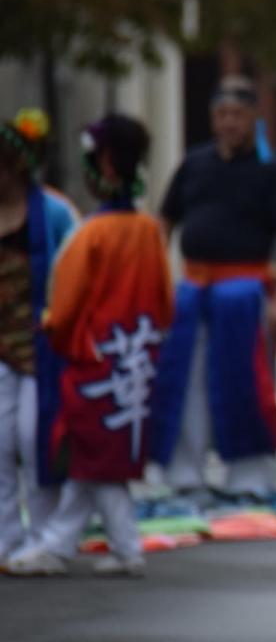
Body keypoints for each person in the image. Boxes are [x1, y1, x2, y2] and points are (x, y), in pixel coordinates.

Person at [6, 115, 172, 577]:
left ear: (102, 165)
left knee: (95, 456)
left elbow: (65, 309)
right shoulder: (147, 230)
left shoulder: (90, 235)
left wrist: (52, 331)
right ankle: (67, 544)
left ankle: (113, 545)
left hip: (95, 360)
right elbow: (163, 301)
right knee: (95, 458)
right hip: (135, 355)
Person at [151, 75, 276, 499]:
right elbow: (164, 220)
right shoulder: (193, 163)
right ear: (212, 118)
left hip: (245, 288)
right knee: (185, 381)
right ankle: (186, 473)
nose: (229, 122)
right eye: (222, 114)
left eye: (238, 114)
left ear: (253, 117)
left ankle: (249, 477)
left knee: (246, 382)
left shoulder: (272, 170)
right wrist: (156, 276)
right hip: (192, 286)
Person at [0, 108, 77, 568]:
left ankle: (46, 536)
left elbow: (77, 267)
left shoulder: (52, 212)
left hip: (43, 345)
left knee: (36, 438)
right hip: (0, 344)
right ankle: (7, 539)